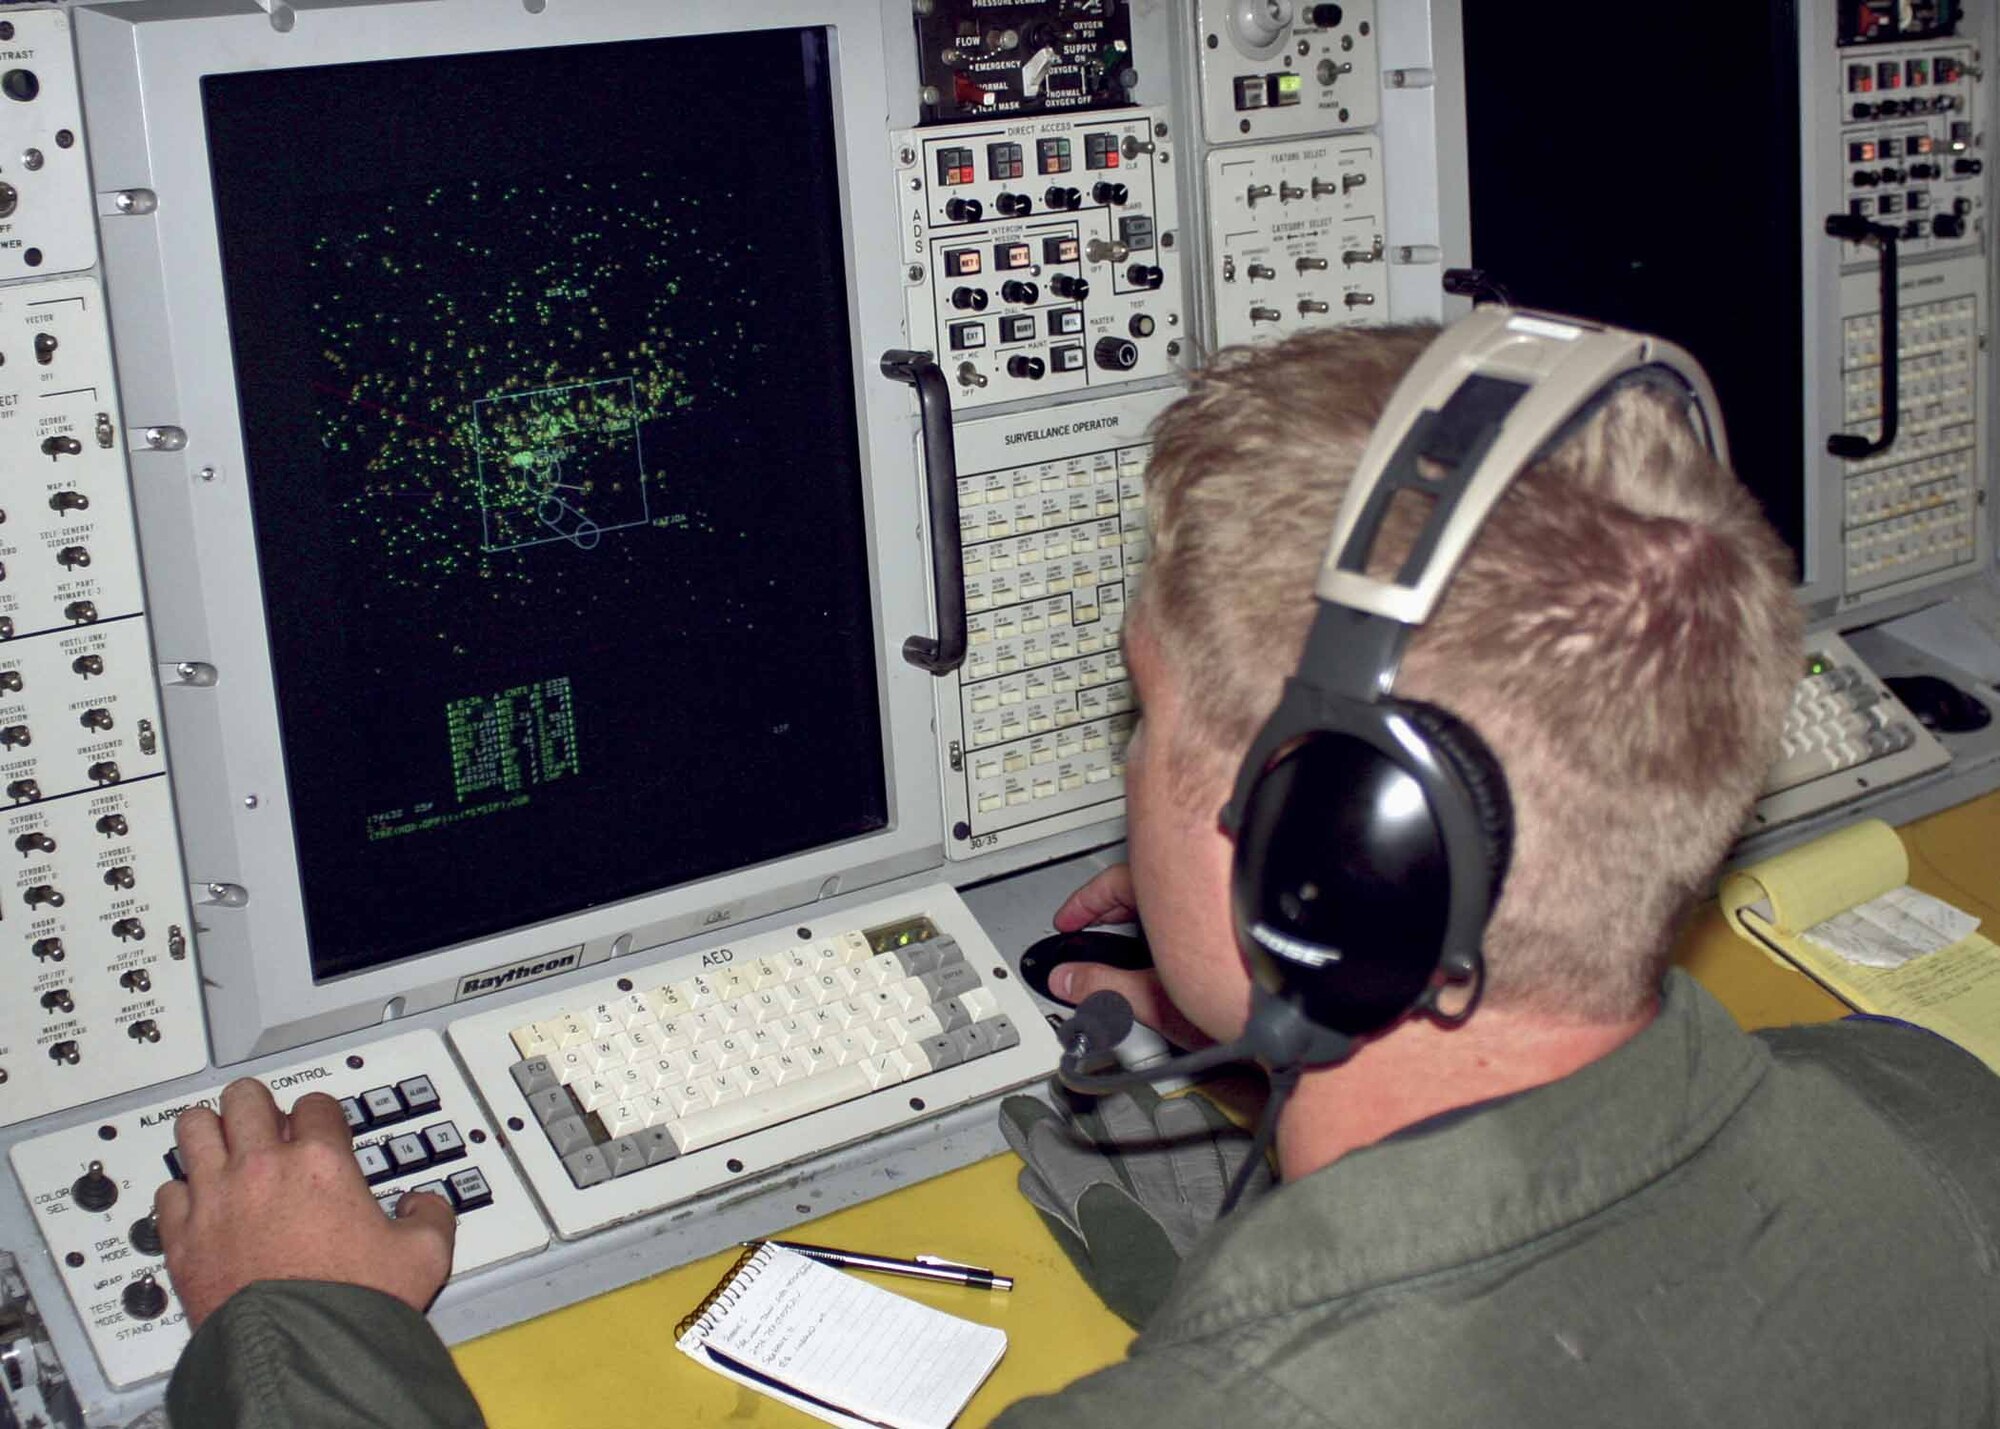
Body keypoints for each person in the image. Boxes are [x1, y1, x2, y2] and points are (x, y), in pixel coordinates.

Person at [156, 324, 2000, 1428]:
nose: (1124, 782)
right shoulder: (1934, 1115)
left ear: (1328, 846)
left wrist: (298, 1323)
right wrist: (1244, 1058)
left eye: (1147, 717)